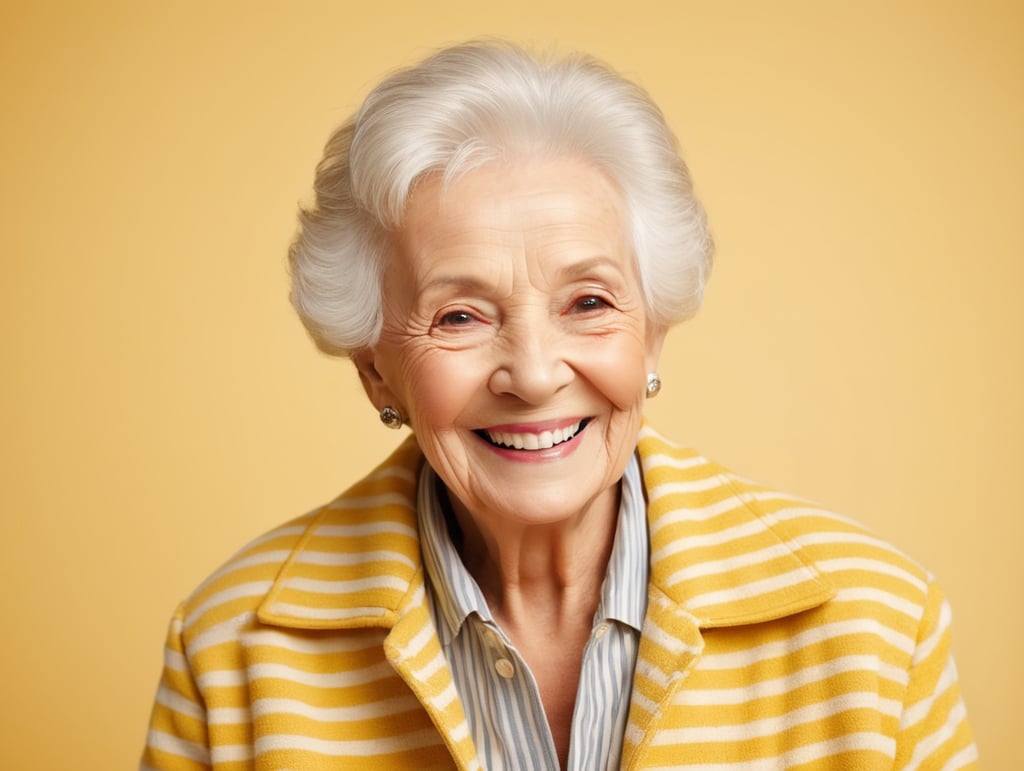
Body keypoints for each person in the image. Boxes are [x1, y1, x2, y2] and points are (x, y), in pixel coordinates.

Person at [141, 41, 977, 770]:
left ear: (650, 338)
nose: (535, 375)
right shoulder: (230, 653)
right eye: (460, 316)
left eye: (588, 302)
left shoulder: (878, 628)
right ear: (375, 371)